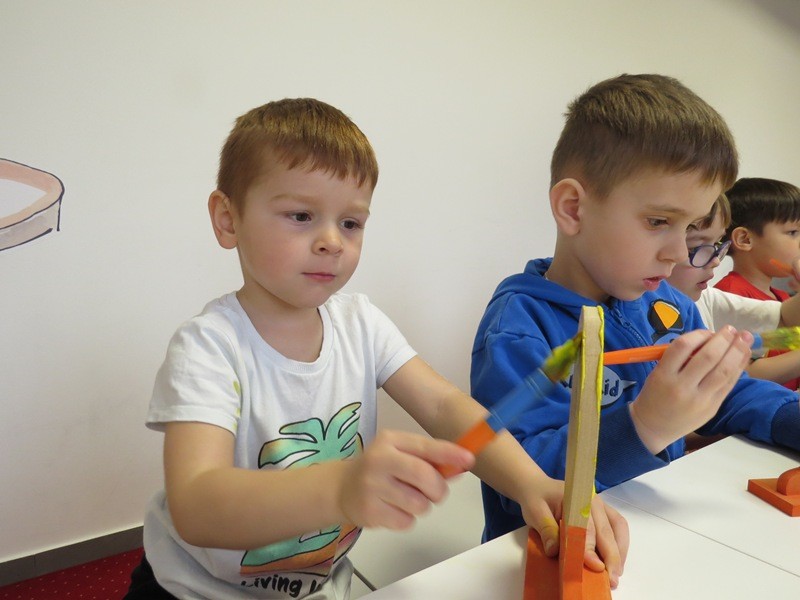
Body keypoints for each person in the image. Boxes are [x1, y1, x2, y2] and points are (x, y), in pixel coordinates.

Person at [126, 99, 628, 600]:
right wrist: (339, 489)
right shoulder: (208, 348)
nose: (332, 241)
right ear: (228, 220)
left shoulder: (360, 323)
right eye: (301, 215)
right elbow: (196, 505)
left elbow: (444, 406)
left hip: (318, 586)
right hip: (191, 592)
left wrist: (531, 483)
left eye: (351, 223)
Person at [470, 74, 800, 544]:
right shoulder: (521, 328)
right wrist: (645, 425)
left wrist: (789, 418)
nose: (680, 254)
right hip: (549, 553)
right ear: (573, 208)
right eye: (659, 221)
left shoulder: (667, 306)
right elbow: (521, 478)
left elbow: (727, 394)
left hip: (656, 537)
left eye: (690, 227)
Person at [669, 193, 800, 388]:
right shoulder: (728, 289)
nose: (715, 261)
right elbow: (743, 376)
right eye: (695, 247)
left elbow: (785, 318)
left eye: (717, 244)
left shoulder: (706, 298)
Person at [714, 178, 800, 389]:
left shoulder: (782, 299)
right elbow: (746, 374)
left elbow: (788, 344)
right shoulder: (730, 296)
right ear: (745, 239)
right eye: (793, 232)